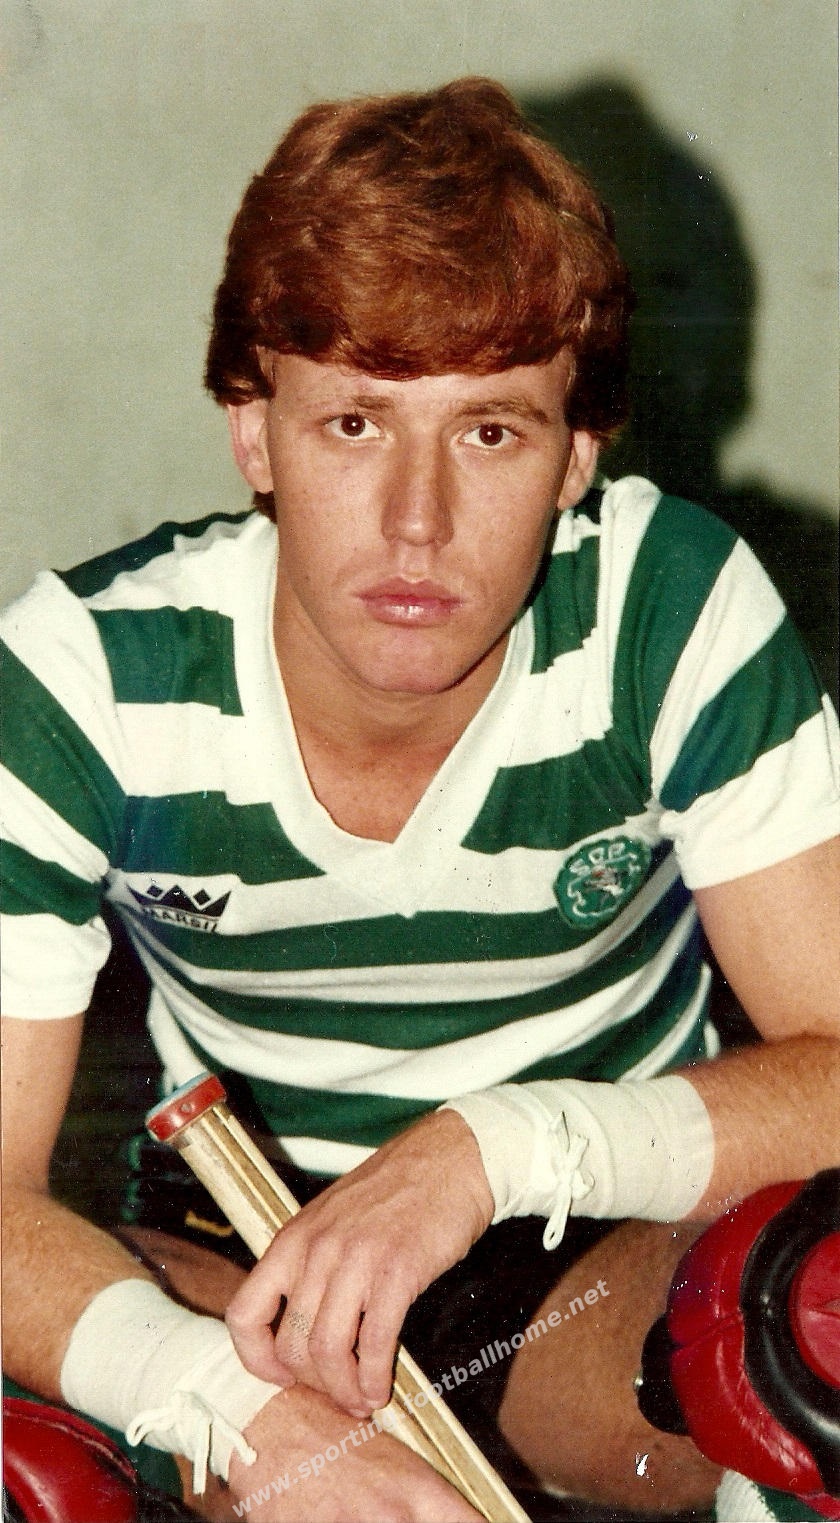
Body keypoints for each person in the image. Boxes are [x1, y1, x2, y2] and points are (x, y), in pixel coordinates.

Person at [2, 76, 838, 1523]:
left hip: (588, 1247)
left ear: (579, 455)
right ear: (253, 430)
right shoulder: (86, 680)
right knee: (38, 1470)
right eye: (353, 424)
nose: (416, 523)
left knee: (818, 1331)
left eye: (490, 433)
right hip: (242, 1258)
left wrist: (496, 1151)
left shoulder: (669, 609)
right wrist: (241, 1423)